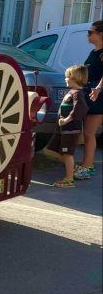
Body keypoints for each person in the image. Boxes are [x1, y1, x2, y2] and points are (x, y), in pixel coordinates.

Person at [43, 65, 88, 188]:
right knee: (49, 151)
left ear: (75, 78)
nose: (65, 79)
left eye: (67, 77)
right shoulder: (72, 92)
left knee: (68, 154)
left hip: (70, 131)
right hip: (62, 130)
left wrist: (66, 120)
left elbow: (80, 108)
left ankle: (69, 179)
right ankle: (73, 167)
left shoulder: (78, 93)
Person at [74, 19, 103, 181]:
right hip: (89, 93)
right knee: (86, 133)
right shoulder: (94, 52)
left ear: (101, 34)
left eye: (90, 32)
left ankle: (88, 167)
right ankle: (86, 164)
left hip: (98, 96)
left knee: (90, 133)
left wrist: (98, 88)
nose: (88, 35)